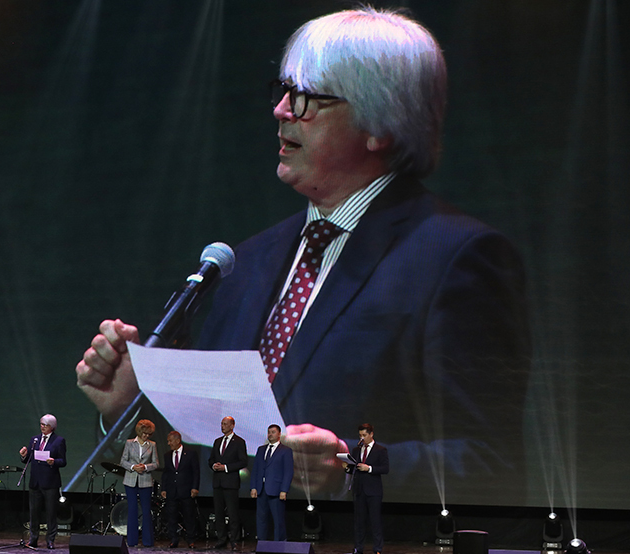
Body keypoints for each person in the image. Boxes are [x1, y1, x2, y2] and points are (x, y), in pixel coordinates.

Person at [75, 7, 530, 505]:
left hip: (348, 551)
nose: (281, 110)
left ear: (380, 124)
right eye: (284, 91)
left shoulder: (455, 256)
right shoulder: (245, 262)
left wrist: (349, 468)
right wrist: (130, 412)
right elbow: (212, 457)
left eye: (308, 98)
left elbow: (495, 464)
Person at [19, 414, 67, 549]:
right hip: (35, 482)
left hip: (50, 482)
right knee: (34, 513)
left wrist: (54, 461)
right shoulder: (34, 440)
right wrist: (24, 455)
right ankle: (33, 539)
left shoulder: (59, 441)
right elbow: (29, 458)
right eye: (41, 424)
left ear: (52, 427)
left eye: (45, 425)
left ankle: (50, 540)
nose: (43, 427)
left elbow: (63, 461)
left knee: (51, 513)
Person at [345, 423, 388, 554]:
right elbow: (354, 469)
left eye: (364, 435)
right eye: (360, 435)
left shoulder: (380, 450)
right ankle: (358, 548)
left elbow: (385, 468)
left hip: (373, 490)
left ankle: (378, 548)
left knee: (375, 520)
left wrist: (369, 468)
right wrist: (347, 467)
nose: (362, 438)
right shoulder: (356, 450)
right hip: (359, 489)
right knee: (359, 521)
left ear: (371, 434)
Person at [207, 416, 248, 549]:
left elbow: (243, 462)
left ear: (232, 425)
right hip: (218, 482)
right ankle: (221, 538)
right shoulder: (217, 441)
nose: (222, 426)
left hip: (231, 483)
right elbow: (211, 459)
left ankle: (234, 540)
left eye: (225, 424)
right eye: (221, 424)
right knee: (218, 513)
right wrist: (214, 465)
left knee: (232, 513)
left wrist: (225, 467)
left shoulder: (239, 442)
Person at [251, 425, 294, 542]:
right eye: (269, 432)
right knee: (261, 518)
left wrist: (284, 490)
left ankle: (279, 543)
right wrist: (253, 487)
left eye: (273, 432)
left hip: (276, 489)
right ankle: (261, 542)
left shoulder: (285, 450)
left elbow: (288, 472)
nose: (270, 434)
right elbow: (255, 469)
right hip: (261, 489)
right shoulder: (261, 449)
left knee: (278, 519)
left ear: (279, 434)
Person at [121, 419, 159, 547]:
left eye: (148, 434)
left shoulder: (152, 445)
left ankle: (148, 541)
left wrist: (145, 467)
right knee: (132, 509)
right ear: (139, 431)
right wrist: (133, 467)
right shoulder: (129, 443)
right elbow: (123, 461)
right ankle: (132, 541)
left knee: (146, 510)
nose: (146, 436)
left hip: (146, 481)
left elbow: (156, 463)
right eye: (144, 433)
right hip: (130, 480)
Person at [161, 431, 199, 548]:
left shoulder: (191, 453)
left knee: (189, 516)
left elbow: (196, 472)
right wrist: (163, 488)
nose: (168, 443)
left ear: (178, 440)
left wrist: (195, 487)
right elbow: (166, 473)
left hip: (186, 490)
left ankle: (191, 539)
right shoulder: (167, 455)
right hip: (172, 490)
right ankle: (173, 539)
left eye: (170, 441)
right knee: (172, 516)